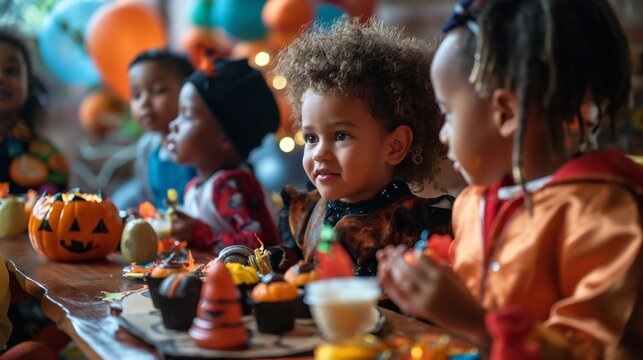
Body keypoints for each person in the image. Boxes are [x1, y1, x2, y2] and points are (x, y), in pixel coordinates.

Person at [378, 0, 643, 358]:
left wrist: (477, 323)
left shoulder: (604, 215)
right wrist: (423, 290)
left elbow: (593, 349)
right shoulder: (473, 203)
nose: (443, 134)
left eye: (449, 113)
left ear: (505, 113)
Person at [270, 18, 453, 276]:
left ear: (395, 146)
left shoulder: (411, 227)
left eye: (341, 135)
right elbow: (292, 265)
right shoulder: (307, 212)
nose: (319, 152)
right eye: (311, 138)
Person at [165, 56, 282, 254]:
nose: (173, 125)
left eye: (187, 116)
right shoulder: (196, 186)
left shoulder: (231, 185)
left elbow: (262, 246)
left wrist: (198, 233)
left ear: (225, 138)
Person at [112, 49, 196, 210]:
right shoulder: (147, 149)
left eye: (158, 91)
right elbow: (147, 198)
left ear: (188, 90)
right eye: (136, 95)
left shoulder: (201, 142)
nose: (144, 103)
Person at [0, 28, 68, 194]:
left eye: (11, 70)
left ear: (29, 85)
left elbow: (52, 216)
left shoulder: (49, 159)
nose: (1, 78)